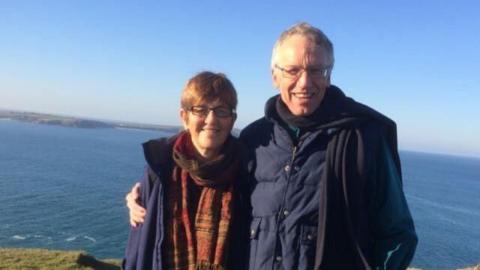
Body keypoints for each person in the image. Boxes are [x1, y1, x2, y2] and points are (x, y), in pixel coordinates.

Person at [126, 23, 417, 270]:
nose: (305, 82)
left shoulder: (362, 138)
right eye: (292, 70)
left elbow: (398, 234)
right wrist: (148, 192)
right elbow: (206, 170)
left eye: (316, 70)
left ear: (329, 74)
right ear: (274, 75)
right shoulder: (256, 138)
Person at [123, 71, 248, 270]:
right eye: (200, 110)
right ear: (185, 117)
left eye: (221, 110)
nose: (211, 120)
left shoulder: (248, 173)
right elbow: (138, 246)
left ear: (232, 119)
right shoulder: (159, 170)